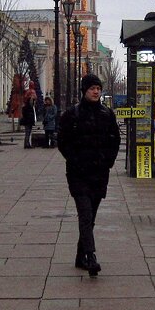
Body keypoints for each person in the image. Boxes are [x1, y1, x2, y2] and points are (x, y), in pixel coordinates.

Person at [57, 73, 121, 277]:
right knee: (85, 214)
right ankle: (91, 257)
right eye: (92, 88)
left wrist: (108, 162)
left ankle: (79, 256)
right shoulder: (71, 115)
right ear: (84, 90)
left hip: (99, 174)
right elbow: (63, 142)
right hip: (78, 174)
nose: (96, 91)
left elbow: (115, 140)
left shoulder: (107, 114)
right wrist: (75, 161)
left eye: (98, 88)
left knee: (90, 217)